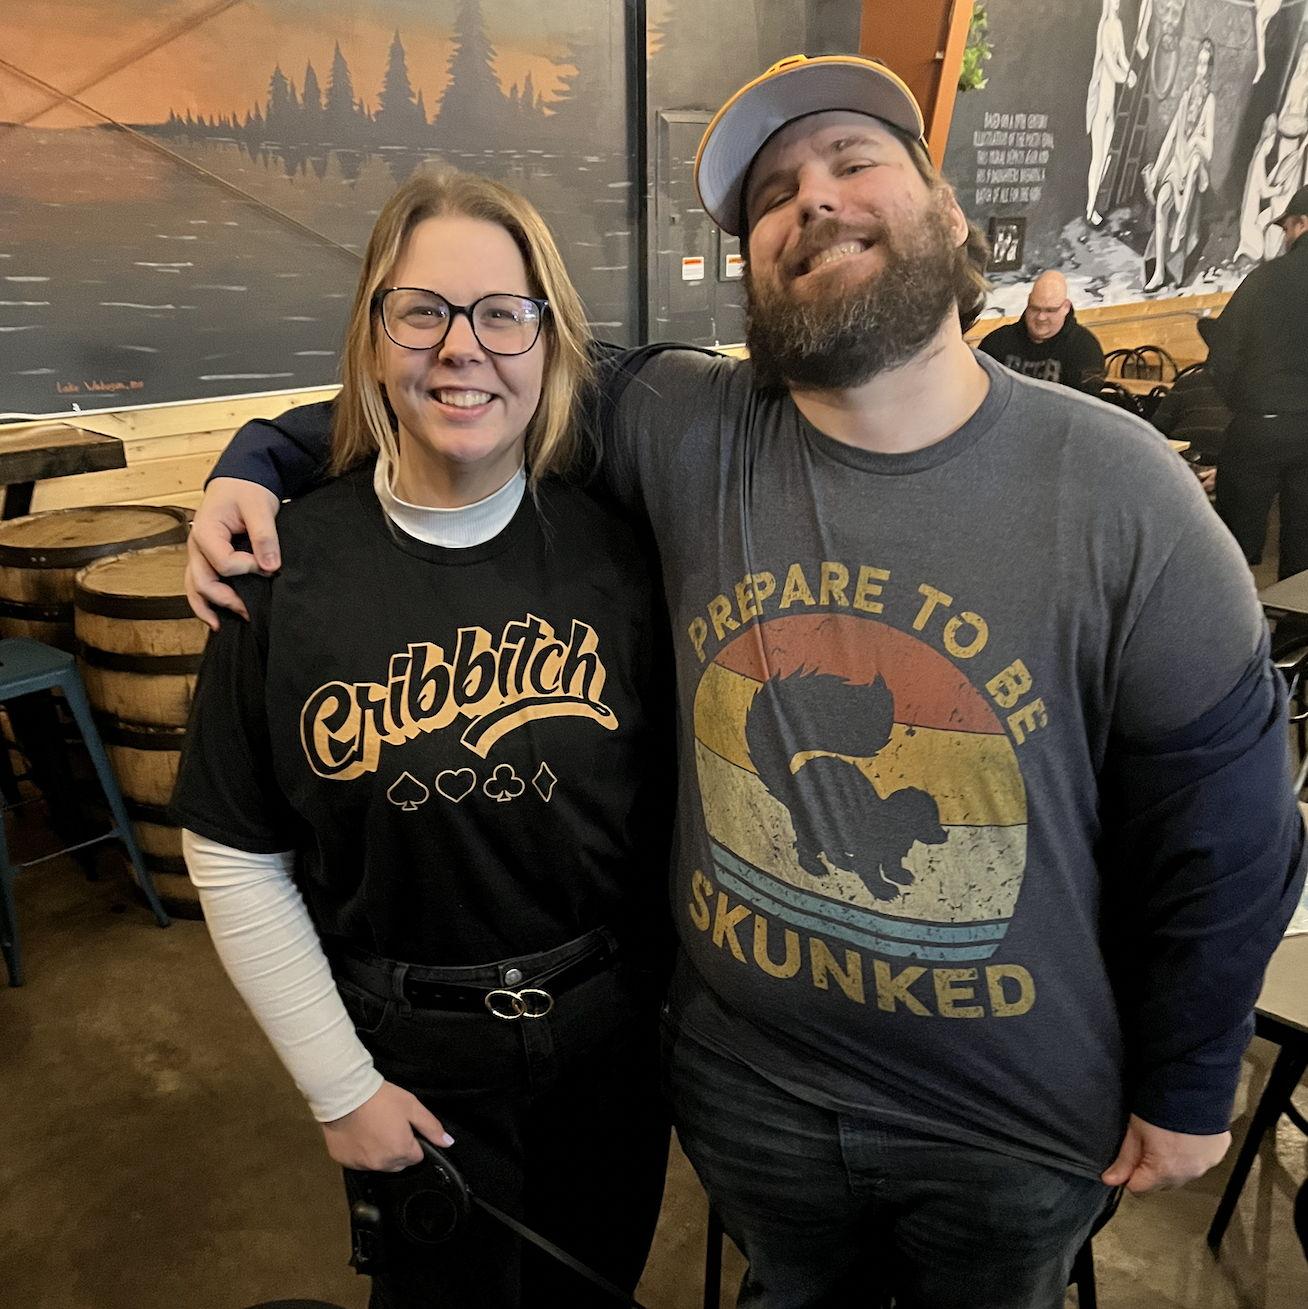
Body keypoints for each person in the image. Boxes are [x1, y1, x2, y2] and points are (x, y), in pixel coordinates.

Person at [186, 54, 1306, 1309]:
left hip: (1005, 1124)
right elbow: (469, 382)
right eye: (773, 192)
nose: (814, 200)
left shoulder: (1124, 488)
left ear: (948, 213)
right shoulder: (688, 426)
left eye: (854, 160)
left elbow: (1233, 823)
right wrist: (265, 453)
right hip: (746, 1096)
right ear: (751, 265)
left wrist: (1194, 1073)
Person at [171, 172, 673, 1309]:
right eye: (423, 311)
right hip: (410, 1053)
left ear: (548, 340)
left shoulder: (620, 550)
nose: (463, 348)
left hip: (609, 1047)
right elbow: (234, 845)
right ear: (373, 327)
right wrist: (339, 1087)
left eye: (503, 312)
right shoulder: (283, 569)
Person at [1207, 183, 1308, 582]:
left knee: (1233, 546)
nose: (1285, 235)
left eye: (1287, 227)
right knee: (1303, 549)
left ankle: (1235, 632)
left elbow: (1222, 355)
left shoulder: (1264, 280)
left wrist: (1241, 403)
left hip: (1259, 424)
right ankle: (1295, 639)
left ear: (1300, 224)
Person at [1142, 38, 1215, 290]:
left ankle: (1182, 220)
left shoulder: (1210, 101)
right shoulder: (1186, 96)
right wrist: (1157, 172)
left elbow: (1209, 147)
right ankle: (1159, 272)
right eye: (1199, 64)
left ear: (1211, 69)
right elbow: (1171, 136)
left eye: (1206, 65)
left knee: (1195, 160)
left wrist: (1195, 139)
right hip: (1176, 165)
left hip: (1194, 167)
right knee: (1161, 204)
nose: (1201, 70)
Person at [977, 269, 1106, 392]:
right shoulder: (997, 342)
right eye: (1035, 308)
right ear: (1028, 302)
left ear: (1066, 307)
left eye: (1050, 310)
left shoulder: (1085, 349)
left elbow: (1087, 405)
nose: (1041, 317)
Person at [1149, 315, 1231, 491]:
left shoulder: (1259, 392)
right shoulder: (1188, 383)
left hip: (1222, 474)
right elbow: (1156, 432)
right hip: (1181, 470)